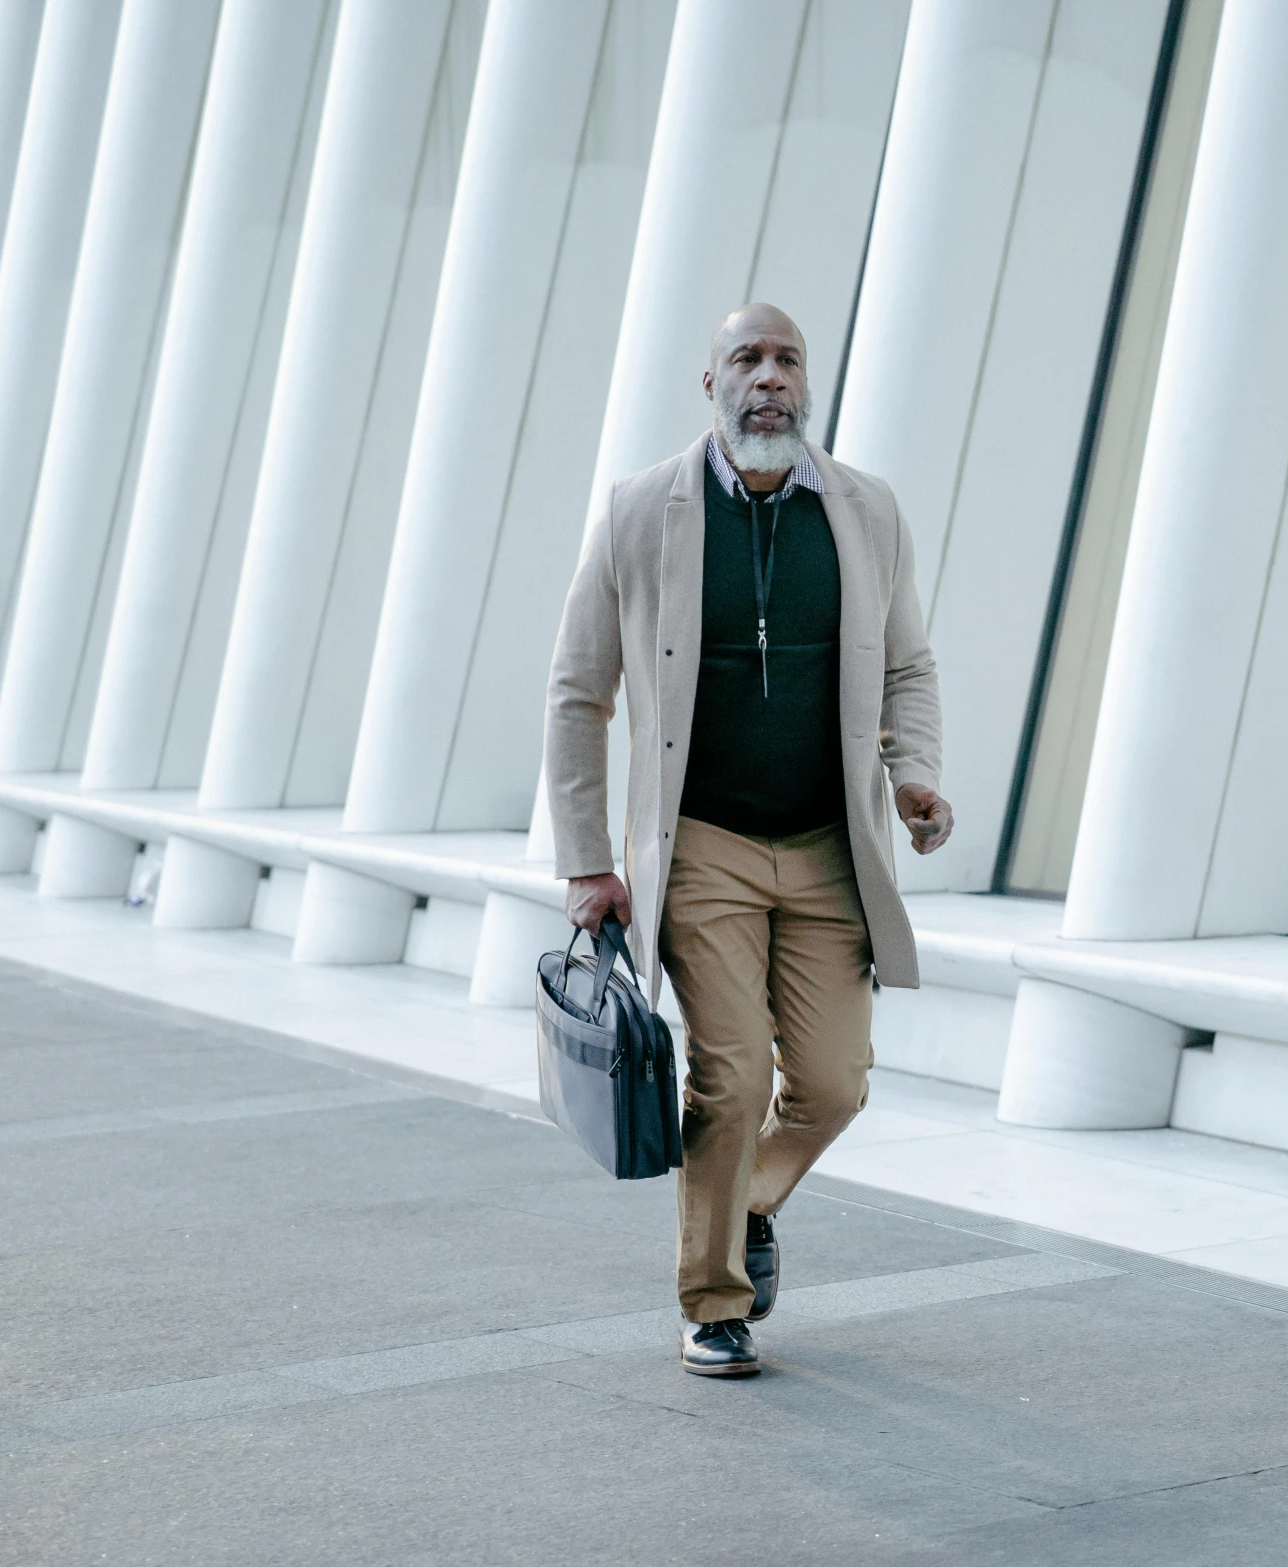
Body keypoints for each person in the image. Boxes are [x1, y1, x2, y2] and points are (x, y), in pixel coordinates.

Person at [544, 303, 950, 1377]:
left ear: (807, 383)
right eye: (746, 359)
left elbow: (909, 664)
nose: (768, 377)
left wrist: (915, 775)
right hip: (705, 844)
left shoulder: (867, 511)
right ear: (710, 382)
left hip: (829, 847)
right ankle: (712, 1299)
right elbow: (578, 691)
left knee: (830, 1085)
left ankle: (747, 1206)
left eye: (786, 360)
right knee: (726, 1074)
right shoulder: (640, 513)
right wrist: (589, 860)